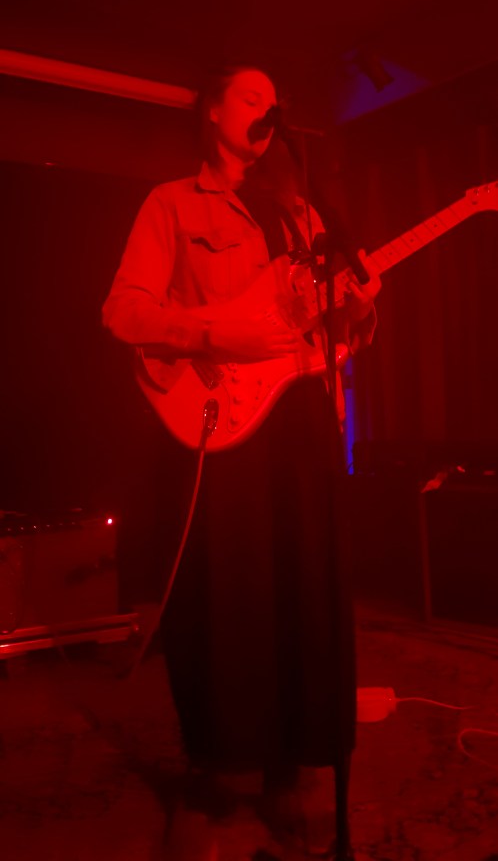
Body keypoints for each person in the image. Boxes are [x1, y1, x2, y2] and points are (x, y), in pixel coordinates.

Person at [102, 65, 380, 860]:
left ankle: (291, 764)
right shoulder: (171, 204)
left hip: (300, 419)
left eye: (275, 101)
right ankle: (215, 773)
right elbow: (122, 310)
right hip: (222, 422)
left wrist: (358, 308)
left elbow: (327, 334)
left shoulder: (300, 213)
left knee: (306, 588)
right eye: (252, 96)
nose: (268, 108)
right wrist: (216, 334)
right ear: (214, 112)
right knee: (227, 598)